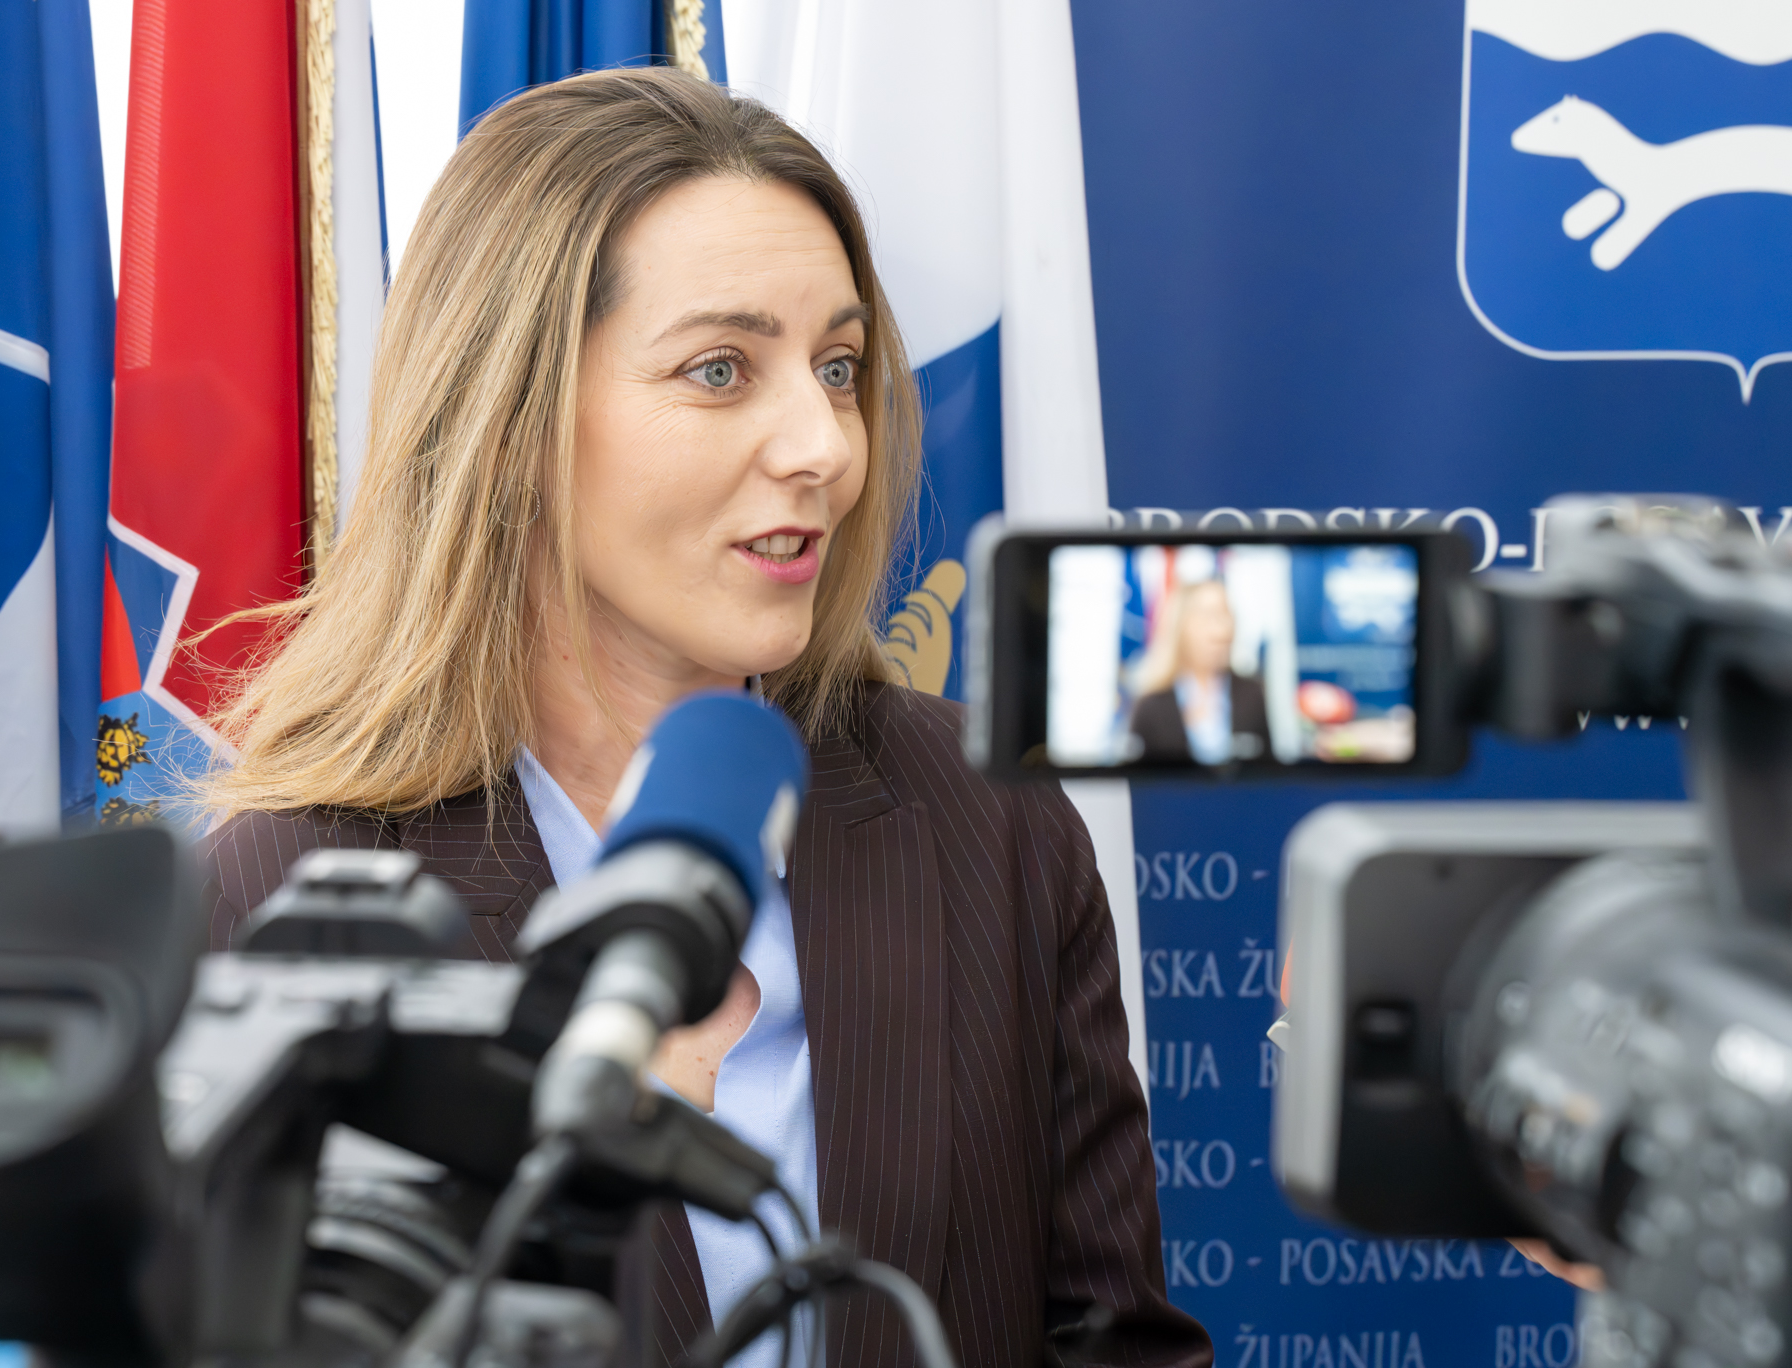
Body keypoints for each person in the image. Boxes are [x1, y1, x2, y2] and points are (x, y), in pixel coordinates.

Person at [196, 68, 1209, 1368]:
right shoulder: (286, 892)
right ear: (509, 421)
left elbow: (1117, 1347)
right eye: (720, 369)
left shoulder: (985, 817)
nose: (824, 446)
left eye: (837, 367)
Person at [1128, 580, 1270, 765]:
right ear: (1181, 626)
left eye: (1227, 615)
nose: (1223, 630)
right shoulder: (1151, 705)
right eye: (1209, 617)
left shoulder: (1253, 694)